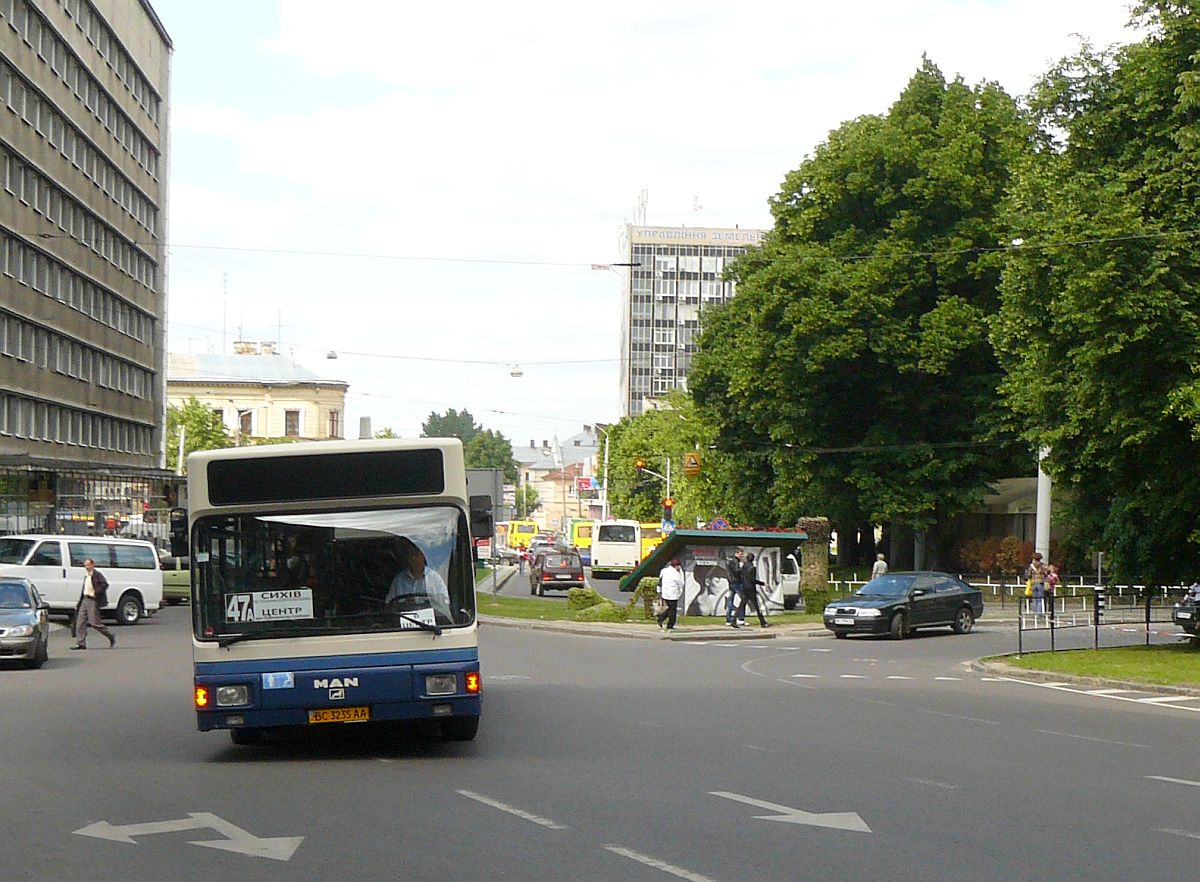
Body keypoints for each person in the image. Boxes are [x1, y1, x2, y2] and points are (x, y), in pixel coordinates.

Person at [386, 539, 452, 621]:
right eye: (410, 555)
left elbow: (445, 607)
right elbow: (388, 606)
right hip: (403, 626)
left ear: (424, 556)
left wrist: (428, 607)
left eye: (416, 554)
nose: (413, 558)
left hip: (431, 626)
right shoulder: (399, 580)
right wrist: (404, 604)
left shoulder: (435, 579)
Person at [72, 557, 115, 650]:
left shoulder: (97, 575)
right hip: (85, 599)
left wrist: (96, 592)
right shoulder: (86, 576)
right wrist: (79, 603)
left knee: (94, 622)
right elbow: (84, 589)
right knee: (80, 622)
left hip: (92, 600)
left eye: (88, 565)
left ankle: (110, 635)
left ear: (92, 565)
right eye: (85, 565)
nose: (86, 567)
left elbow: (105, 584)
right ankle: (81, 643)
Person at [734, 552, 769, 628]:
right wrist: (762, 583)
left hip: (744, 587)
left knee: (741, 605)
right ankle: (762, 622)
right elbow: (753, 580)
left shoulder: (744, 566)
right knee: (756, 606)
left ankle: (733, 620)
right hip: (751, 588)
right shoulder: (752, 567)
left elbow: (741, 575)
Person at [656, 558, 685, 631]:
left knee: (670, 609)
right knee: (673, 610)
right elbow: (681, 583)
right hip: (673, 594)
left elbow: (660, 581)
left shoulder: (664, 571)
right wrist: (681, 572)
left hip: (665, 593)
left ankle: (661, 618)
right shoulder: (676, 574)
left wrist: (659, 591)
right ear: (677, 566)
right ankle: (669, 624)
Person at [724, 549, 745, 625]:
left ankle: (728, 619)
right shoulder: (736, 561)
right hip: (737, 582)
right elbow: (737, 571)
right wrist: (742, 568)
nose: (742, 556)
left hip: (731, 583)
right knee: (743, 599)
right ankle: (740, 618)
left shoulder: (730, 561)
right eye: (740, 554)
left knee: (730, 601)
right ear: (736, 554)